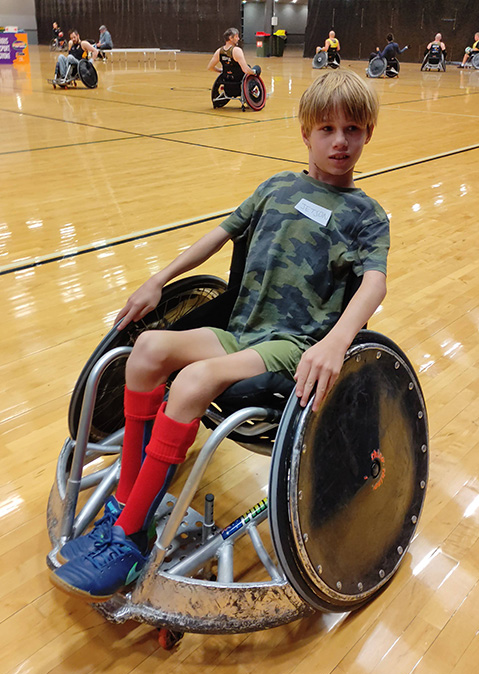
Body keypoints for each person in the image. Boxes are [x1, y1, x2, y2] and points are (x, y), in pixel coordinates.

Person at [49, 68, 390, 602]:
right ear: (306, 133)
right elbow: (217, 236)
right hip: (243, 331)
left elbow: (374, 285)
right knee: (146, 350)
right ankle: (127, 500)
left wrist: (336, 341)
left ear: (368, 133)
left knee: (191, 382)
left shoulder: (367, 216)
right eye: (327, 129)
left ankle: (128, 535)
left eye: (353, 129)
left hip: (294, 345)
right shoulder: (277, 186)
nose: (340, 141)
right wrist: (157, 282)